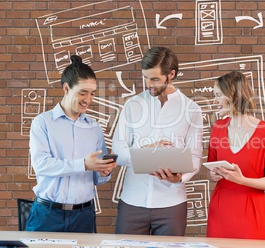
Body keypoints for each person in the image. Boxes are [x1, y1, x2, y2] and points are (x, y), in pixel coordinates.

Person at [112, 46, 203, 236]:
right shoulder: (132, 105)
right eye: (145, 77)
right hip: (132, 201)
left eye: (154, 79)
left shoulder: (192, 109)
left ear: (171, 74)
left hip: (172, 203)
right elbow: (117, 152)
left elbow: (195, 157)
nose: (148, 84)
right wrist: (146, 150)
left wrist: (179, 178)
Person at [26, 55, 117, 233]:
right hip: (47, 215)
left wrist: (104, 171)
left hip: (83, 216)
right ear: (66, 88)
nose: (88, 100)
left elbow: (97, 179)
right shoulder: (43, 122)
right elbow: (42, 165)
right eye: (82, 92)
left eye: (92, 94)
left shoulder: (94, 127)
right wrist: (83, 164)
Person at [206, 71, 265, 240]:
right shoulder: (218, 127)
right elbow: (211, 167)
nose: (214, 100)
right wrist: (213, 174)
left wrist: (242, 180)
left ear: (233, 95)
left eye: (218, 95)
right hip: (220, 209)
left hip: (251, 209)